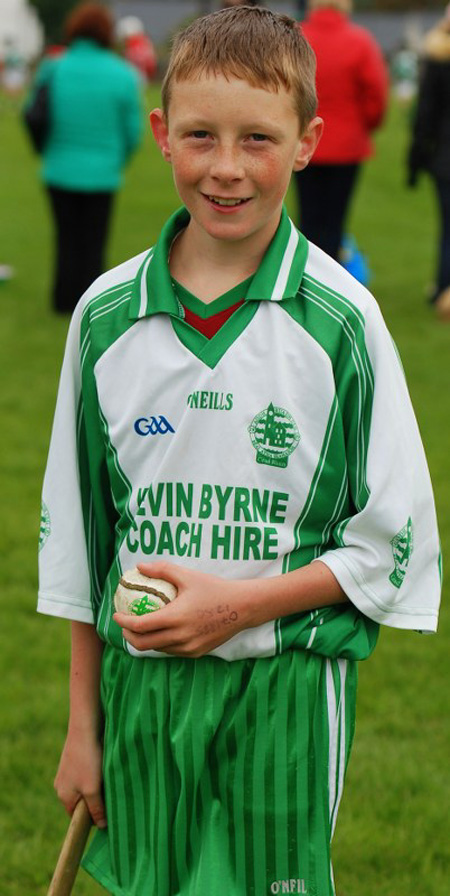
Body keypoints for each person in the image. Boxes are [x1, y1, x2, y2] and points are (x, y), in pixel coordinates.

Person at [38, 7, 441, 896]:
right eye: (200, 136)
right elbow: (79, 541)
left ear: (308, 142)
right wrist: (83, 721)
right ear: (160, 135)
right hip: (140, 697)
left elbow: (391, 546)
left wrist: (238, 606)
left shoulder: (342, 323)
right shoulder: (107, 317)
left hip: (285, 693)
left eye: (258, 138)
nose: (226, 167)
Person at [25, 2, 143, 313]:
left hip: (59, 167)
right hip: (103, 171)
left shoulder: (54, 67)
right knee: (94, 242)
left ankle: (62, 301)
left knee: (66, 239)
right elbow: (133, 129)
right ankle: (91, 304)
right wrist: (118, 158)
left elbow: (34, 113)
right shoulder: (122, 73)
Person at [295, 0, 388, 261]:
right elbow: (376, 95)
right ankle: (331, 279)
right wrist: (364, 125)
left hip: (303, 141)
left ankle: (305, 277)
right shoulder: (360, 41)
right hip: (347, 145)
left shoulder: (298, 38)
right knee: (335, 220)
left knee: (309, 217)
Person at [407, 5, 450, 320]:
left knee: (448, 227)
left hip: (445, 157)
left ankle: (442, 290)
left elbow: (426, 115)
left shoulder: (438, 59)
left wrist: (416, 159)